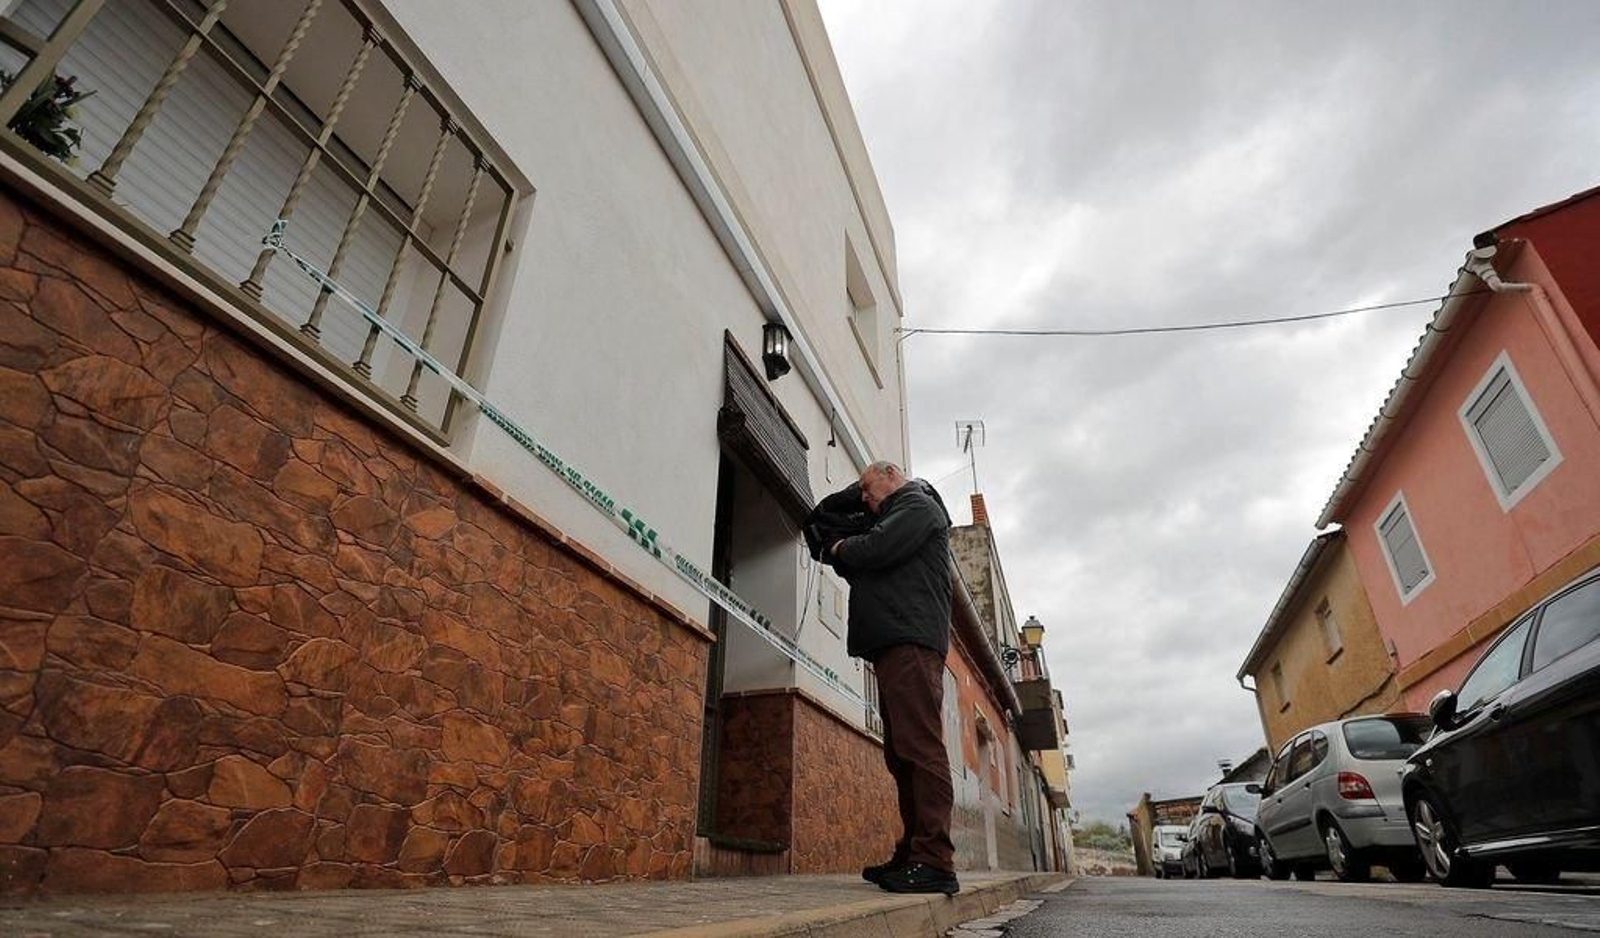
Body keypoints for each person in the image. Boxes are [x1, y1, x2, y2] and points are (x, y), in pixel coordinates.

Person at [823, 460, 958, 895]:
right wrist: (845, 542)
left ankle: (934, 861)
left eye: (866, 487)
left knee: (919, 748)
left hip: (910, 640)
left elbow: (871, 551)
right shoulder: (899, 510)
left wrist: (841, 547)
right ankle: (913, 854)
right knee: (902, 753)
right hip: (896, 640)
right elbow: (862, 550)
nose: (863, 497)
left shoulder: (916, 504)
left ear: (892, 474)